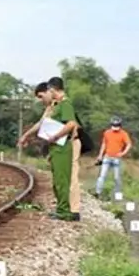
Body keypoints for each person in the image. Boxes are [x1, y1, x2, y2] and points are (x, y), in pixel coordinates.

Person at [39, 77, 79, 221]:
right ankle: (60, 209)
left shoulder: (66, 104)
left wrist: (55, 136)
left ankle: (64, 211)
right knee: (57, 180)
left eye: (49, 90)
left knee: (62, 180)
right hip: (55, 147)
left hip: (62, 145)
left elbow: (71, 124)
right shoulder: (58, 105)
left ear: (52, 89)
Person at [95, 117, 133, 199]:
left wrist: (123, 153)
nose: (115, 127)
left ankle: (118, 196)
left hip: (117, 158)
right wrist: (100, 155)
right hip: (107, 157)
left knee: (117, 178)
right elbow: (104, 144)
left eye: (117, 125)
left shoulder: (123, 134)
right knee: (102, 176)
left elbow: (129, 144)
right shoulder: (107, 133)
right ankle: (98, 193)